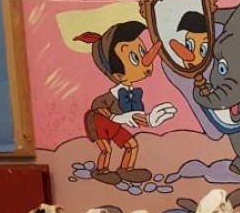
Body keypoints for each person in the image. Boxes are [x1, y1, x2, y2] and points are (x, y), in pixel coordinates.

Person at [74, 21, 176, 185]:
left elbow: (132, 116)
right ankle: (101, 171)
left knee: (132, 145)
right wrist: (116, 117)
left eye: (142, 52)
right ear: (119, 76)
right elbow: (97, 107)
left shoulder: (132, 95)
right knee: (106, 149)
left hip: (114, 125)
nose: (145, 61)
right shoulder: (110, 96)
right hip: (99, 123)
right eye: (135, 58)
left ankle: (126, 169)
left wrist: (150, 119)